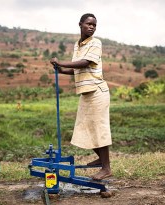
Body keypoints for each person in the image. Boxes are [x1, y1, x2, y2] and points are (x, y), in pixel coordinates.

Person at [50, 13, 112, 180]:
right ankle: (101, 158)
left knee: (99, 129)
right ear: (80, 24)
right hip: (86, 93)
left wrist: (62, 62)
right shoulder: (77, 45)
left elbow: (85, 62)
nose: (91, 27)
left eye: (94, 25)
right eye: (89, 24)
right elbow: (77, 68)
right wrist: (61, 70)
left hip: (98, 92)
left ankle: (106, 168)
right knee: (84, 128)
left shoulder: (95, 43)